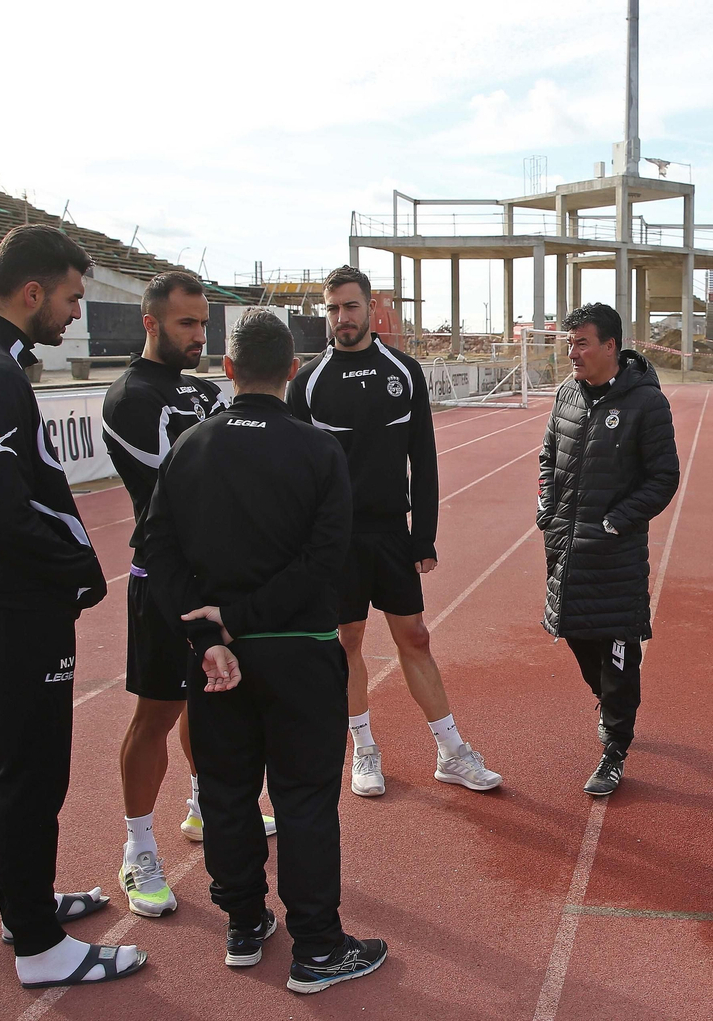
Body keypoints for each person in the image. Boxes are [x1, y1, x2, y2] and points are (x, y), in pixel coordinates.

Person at [141, 310, 387, 992]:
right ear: (292, 371)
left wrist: (208, 632)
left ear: (226, 368)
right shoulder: (317, 451)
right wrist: (239, 618)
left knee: (225, 790)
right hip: (300, 653)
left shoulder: (191, 446)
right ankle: (316, 946)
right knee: (305, 796)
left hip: (217, 658)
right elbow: (325, 561)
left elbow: (154, 550)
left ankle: (244, 922)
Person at [0, 224, 146, 988]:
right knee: (32, 767)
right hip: (16, 602)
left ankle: (22, 905)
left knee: (10, 758)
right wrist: (74, 573)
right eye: (70, 298)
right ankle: (38, 946)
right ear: (32, 292)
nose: (74, 316)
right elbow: (1, 511)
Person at [102, 270, 278, 919]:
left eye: (204, 324)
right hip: (162, 583)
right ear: (150, 323)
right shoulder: (129, 399)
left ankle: (204, 807)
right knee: (156, 714)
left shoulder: (207, 391)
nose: (199, 335)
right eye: (186, 324)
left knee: (215, 705)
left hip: (218, 583)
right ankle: (138, 848)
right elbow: (178, 491)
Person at [287, 266, 500, 796]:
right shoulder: (307, 382)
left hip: (390, 532)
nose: (341, 318)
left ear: (370, 310)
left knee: (416, 637)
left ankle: (451, 751)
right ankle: (363, 749)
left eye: (350, 307)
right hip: (335, 540)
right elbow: (293, 470)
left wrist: (423, 535)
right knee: (348, 640)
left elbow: (423, 459)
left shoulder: (402, 371)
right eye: (332, 309)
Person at [538, 302, 679, 796]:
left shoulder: (647, 404)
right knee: (578, 637)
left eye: (582, 343)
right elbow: (548, 456)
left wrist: (617, 521)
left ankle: (615, 748)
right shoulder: (566, 395)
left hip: (615, 556)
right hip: (566, 549)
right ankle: (609, 703)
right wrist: (545, 509)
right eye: (569, 343)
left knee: (619, 653)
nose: (572, 352)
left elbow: (664, 478)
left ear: (610, 346)